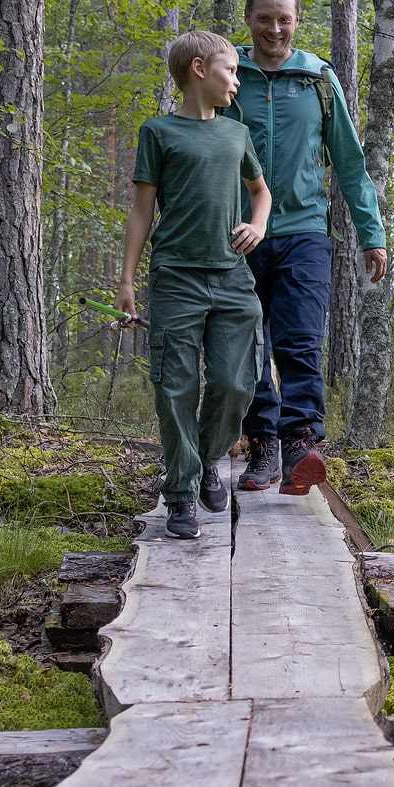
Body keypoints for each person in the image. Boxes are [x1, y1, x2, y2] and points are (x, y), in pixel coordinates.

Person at [224, 0, 389, 495]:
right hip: (238, 232)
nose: (275, 28)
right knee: (244, 344)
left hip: (304, 230)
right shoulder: (229, 76)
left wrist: (372, 232)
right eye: (265, 17)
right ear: (249, 18)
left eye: (285, 18)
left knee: (297, 339)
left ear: (298, 20)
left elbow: (348, 160)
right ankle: (263, 444)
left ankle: (299, 443)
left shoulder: (317, 79)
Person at [117, 30, 271, 540]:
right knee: (175, 387)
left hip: (232, 277)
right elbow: (142, 211)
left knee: (234, 381)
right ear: (200, 70)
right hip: (176, 278)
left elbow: (260, 191)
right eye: (231, 71)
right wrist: (127, 281)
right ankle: (180, 493)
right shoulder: (157, 133)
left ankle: (207, 459)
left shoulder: (237, 133)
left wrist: (258, 225)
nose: (237, 81)